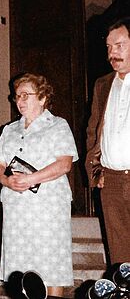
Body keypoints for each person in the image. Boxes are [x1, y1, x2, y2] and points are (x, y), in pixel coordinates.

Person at [0, 73, 78, 297]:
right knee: (20, 267)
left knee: (50, 265)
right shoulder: (8, 130)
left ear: (42, 98)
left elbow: (64, 164)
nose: (19, 100)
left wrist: (31, 179)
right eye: (16, 96)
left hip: (47, 207)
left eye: (25, 95)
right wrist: (5, 180)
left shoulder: (58, 125)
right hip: (16, 208)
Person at [85, 17, 130, 265]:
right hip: (111, 182)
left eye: (119, 45)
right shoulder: (102, 85)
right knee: (120, 256)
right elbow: (93, 131)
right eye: (109, 47)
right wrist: (95, 170)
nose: (112, 52)